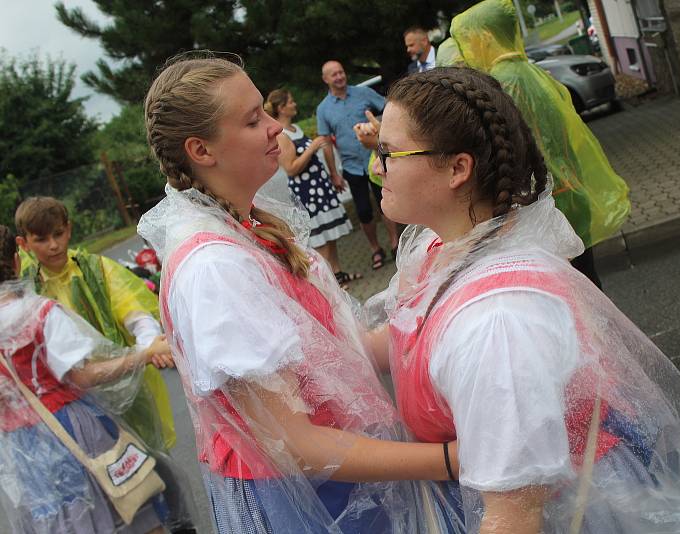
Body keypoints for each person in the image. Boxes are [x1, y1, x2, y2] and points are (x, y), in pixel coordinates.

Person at [364, 67, 680, 533]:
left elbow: (514, 517)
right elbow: (403, 334)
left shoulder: (499, 322)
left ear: (458, 168)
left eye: (388, 153)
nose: (376, 168)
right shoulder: (447, 246)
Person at [141, 53, 464, 534]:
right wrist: (448, 460)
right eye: (253, 120)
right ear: (201, 150)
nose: (275, 128)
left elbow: (352, 353)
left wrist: (446, 286)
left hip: (345, 478)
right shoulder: (215, 267)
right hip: (312, 502)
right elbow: (293, 444)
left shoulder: (248, 229)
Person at [14, 197, 196, 532]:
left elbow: (136, 313)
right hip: (72, 408)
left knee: (152, 470)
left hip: (123, 391)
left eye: (58, 233)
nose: (53, 245)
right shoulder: (23, 289)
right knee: (101, 485)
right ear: (23, 243)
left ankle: (181, 526)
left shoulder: (96, 269)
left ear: (69, 229)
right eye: (41, 239)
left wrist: (148, 346)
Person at [435, 0, 630, 289]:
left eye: (467, 43)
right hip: (569, 197)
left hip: (550, 205)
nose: (466, 53)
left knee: (575, 293)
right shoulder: (529, 71)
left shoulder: (505, 82)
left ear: (485, 38)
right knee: (587, 283)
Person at [265, 89, 359, 289]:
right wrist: (312, 148)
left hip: (319, 186)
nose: (294, 104)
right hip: (307, 192)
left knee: (331, 233)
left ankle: (337, 274)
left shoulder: (295, 128)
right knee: (321, 238)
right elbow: (290, 168)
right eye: (291, 101)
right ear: (281, 108)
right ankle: (329, 285)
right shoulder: (282, 135)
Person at [317, 60, 400, 268]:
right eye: (334, 74)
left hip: (375, 161)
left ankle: (395, 243)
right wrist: (334, 174)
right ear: (325, 79)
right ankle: (375, 249)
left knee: (386, 204)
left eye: (341, 72)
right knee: (363, 211)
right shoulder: (323, 109)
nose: (339, 77)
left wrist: (377, 127)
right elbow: (326, 143)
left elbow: (388, 109)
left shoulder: (363, 94)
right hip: (352, 167)